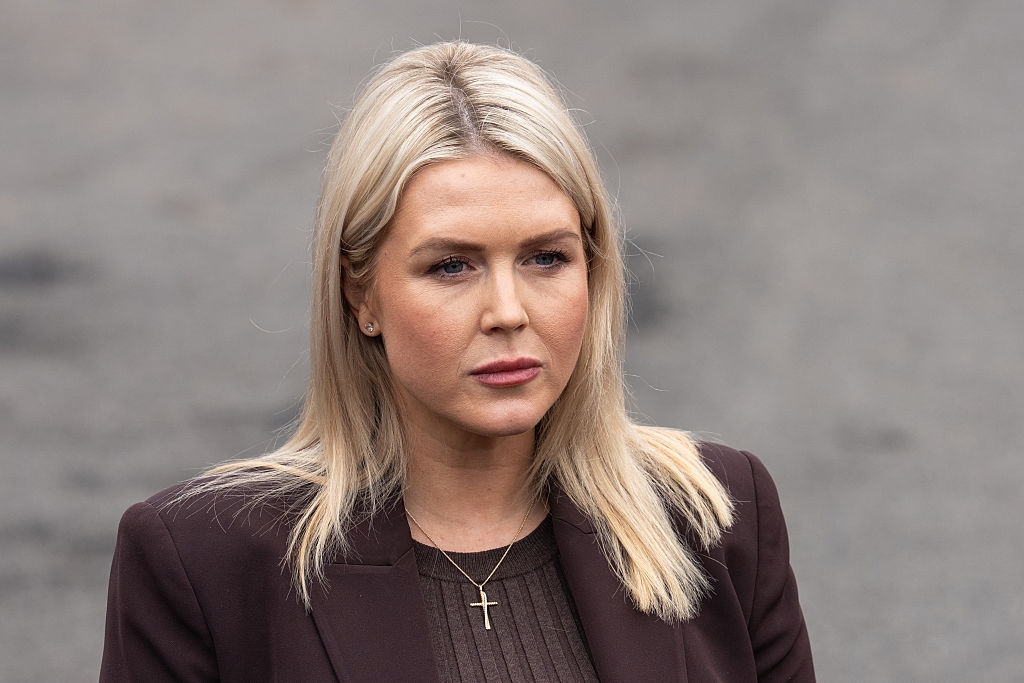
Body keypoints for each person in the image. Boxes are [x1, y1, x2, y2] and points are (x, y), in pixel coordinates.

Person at [100, 42, 814, 682]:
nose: (508, 311)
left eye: (546, 257)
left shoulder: (716, 514)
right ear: (360, 293)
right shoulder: (204, 561)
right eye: (451, 266)